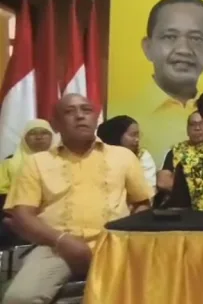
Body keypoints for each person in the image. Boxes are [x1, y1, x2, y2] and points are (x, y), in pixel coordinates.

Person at [2, 94, 153, 304]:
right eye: (69, 112)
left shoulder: (123, 156)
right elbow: (22, 214)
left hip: (115, 246)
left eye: (86, 110)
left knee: (154, 290)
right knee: (19, 299)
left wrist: (127, 238)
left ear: (96, 119)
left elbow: (142, 203)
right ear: (55, 124)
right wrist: (61, 240)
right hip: (55, 248)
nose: (80, 116)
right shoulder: (37, 162)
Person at [125, 0, 203, 165]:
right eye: (170, 37)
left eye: (196, 39)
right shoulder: (124, 112)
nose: (183, 49)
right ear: (148, 47)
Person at [154, 111, 203, 201]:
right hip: (180, 204)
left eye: (202, 124)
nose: (197, 128)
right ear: (187, 130)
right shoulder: (176, 151)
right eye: (192, 124)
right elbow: (163, 182)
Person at [96, 115, 157, 187]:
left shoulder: (143, 156)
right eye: (133, 135)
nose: (137, 139)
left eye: (138, 135)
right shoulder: (98, 155)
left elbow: (149, 188)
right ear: (117, 135)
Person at [0, 119, 54, 195]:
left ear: (52, 137)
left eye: (44, 133)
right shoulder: (9, 162)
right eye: (32, 133)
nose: (39, 137)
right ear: (25, 138)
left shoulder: (63, 160)